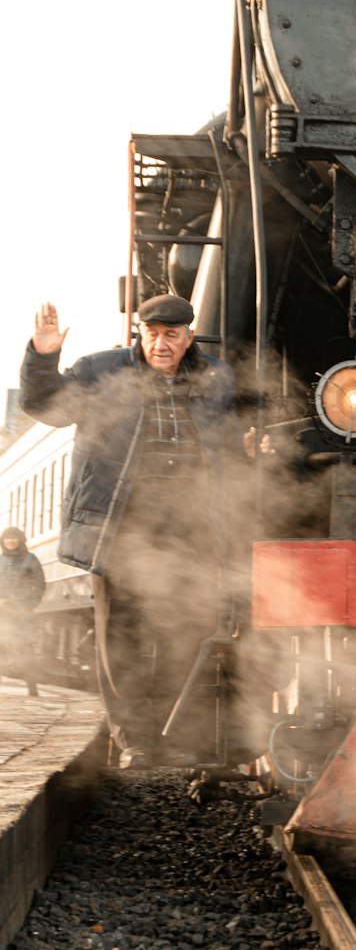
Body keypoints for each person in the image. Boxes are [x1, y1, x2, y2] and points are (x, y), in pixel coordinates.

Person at [20, 296, 240, 767]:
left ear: (188, 336)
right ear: (140, 332)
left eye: (172, 334)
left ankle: (177, 737)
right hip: (121, 529)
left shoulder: (216, 376)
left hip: (188, 530)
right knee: (121, 637)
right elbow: (45, 405)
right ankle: (136, 743)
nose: (162, 343)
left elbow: (227, 441)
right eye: (153, 333)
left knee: (188, 633)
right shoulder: (100, 371)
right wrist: (43, 356)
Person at [0, 526, 45, 695]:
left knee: (26, 649)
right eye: (7, 538)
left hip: (22, 612)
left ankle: (32, 689)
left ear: (20, 540)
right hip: (2, 612)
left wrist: (29, 604)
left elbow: (40, 585)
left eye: (14, 537)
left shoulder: (30, 559)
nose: (11, 541)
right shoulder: (0, 560)